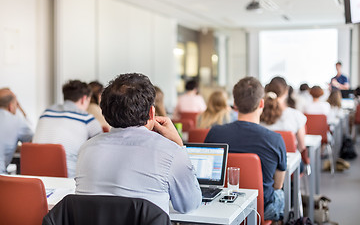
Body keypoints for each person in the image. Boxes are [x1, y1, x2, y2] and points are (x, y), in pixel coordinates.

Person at [75, 73, 202, 214]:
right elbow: (190, 204)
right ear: (151, 113)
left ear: (105, 113)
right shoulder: (170, 152)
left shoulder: (86, 149)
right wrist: (178, 144)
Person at [204, 77, 287, 221]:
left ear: (234, 104)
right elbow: (278, 184)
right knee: (280, 193)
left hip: (222, 207)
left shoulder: (214, 133)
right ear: (262, 103)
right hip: (261, 211)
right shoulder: (275, 139)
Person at [33, 80, 102, 178]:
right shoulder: (86, 118)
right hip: (68, 178)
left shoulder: (46, 113)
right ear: (84, 99)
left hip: (34, 174)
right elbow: (102, 148)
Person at [0, 88, 33, 174]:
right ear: (11, 106)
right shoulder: (16, 120)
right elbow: (34, 141)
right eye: (16, 104)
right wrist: (23, 112)